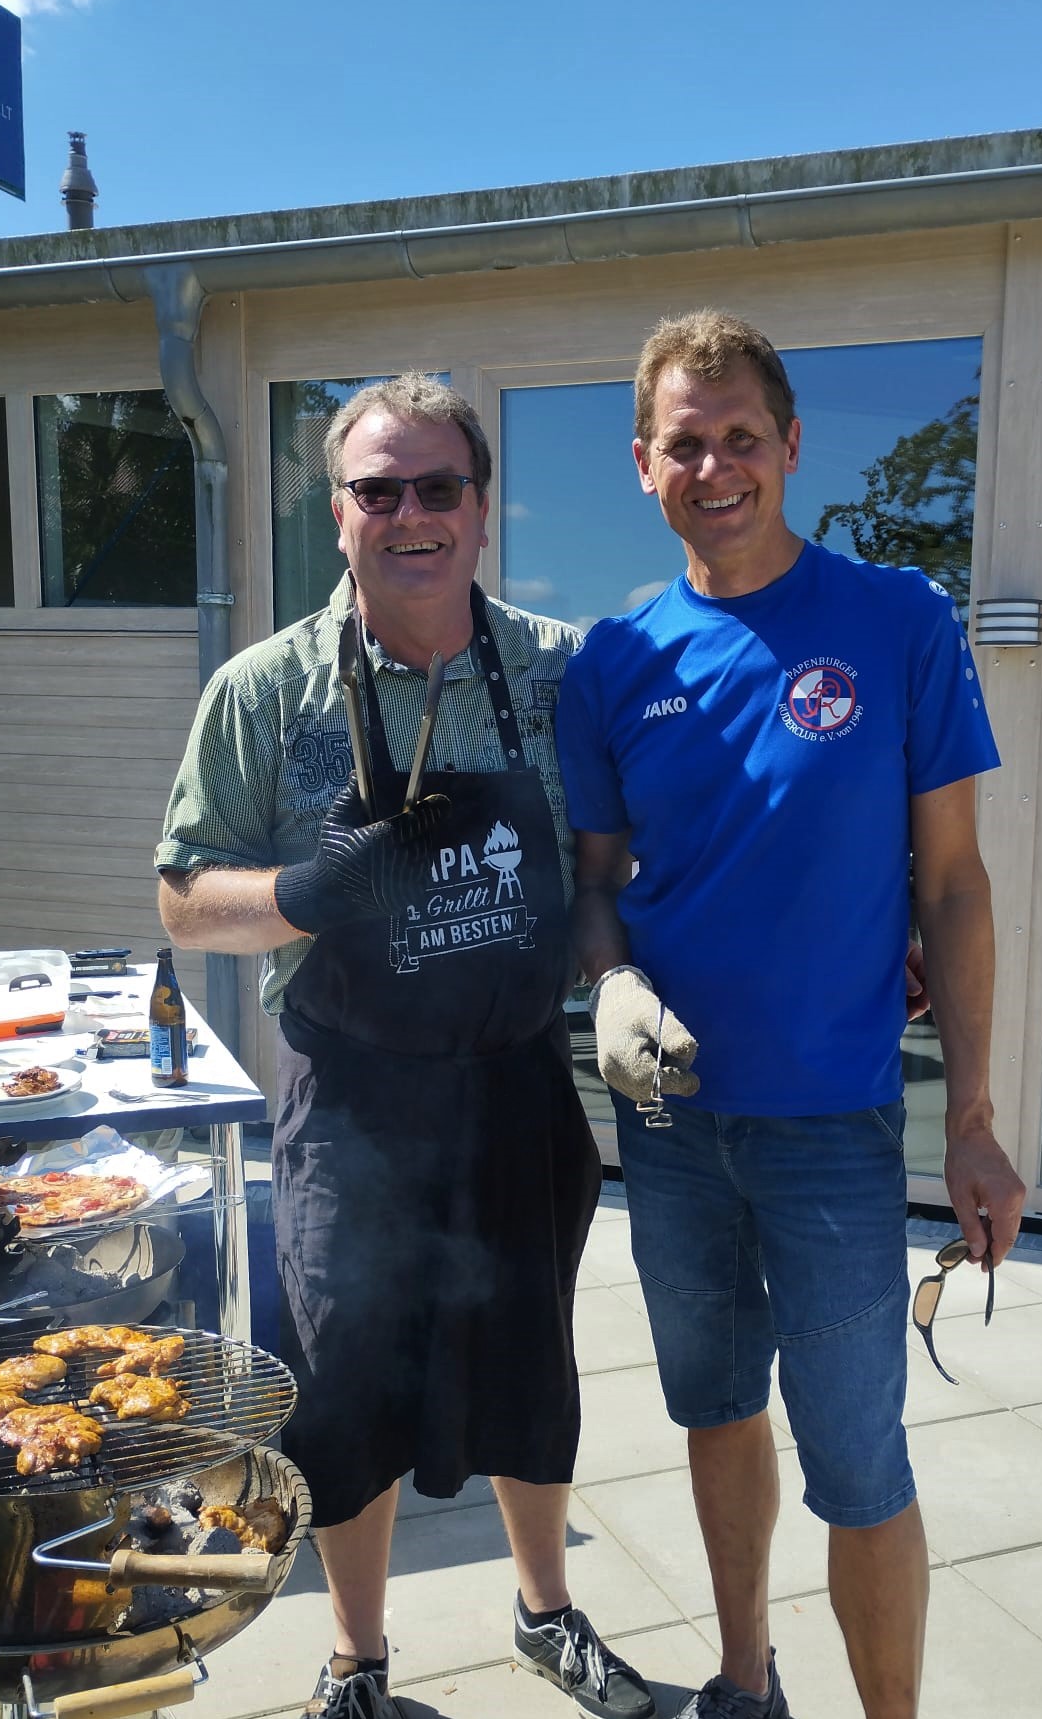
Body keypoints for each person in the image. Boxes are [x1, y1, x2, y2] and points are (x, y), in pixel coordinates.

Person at [155, 374, 654, 1719]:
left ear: (481, 508)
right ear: (338, 513)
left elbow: (610, 865)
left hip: (515, 1085)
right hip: (352, 1101)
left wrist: (620, 982)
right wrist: (300, 893)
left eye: (439, 486)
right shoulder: (265, 692)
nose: (411, 514)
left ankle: (546, 1614)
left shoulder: (561, 672)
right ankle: (357, 1662)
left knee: (530, 1364)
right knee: (346, 1389)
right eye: (379, 490)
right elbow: (183, 895)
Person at [555, 311, 1027, 1719]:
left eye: (740, 438)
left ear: (791, 446)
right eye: (684, 445)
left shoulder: (896, 621)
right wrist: (610, 980)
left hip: (831, 1126)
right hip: (674, 1126)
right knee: (714, 1412)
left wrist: (974, 1122)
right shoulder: (614, 660)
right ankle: (744, 1678)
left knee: (861, 1466)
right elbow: (596, 888)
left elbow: (953, 885)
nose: (715, 468)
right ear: (644, 465)